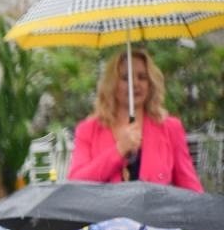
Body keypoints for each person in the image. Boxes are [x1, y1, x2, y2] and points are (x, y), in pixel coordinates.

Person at [68, 50, 204, 190]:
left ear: (150, 84)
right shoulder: (88, 130)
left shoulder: (170, 128)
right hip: (105, 212)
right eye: (126, 77)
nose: (135, 84)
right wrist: (119, 150)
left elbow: (191, 188)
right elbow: (76, 184)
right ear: (112, 84)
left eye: (142, 77)